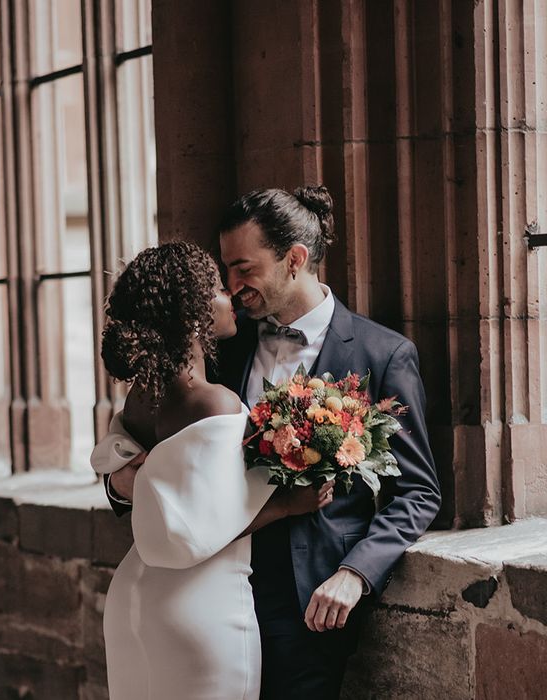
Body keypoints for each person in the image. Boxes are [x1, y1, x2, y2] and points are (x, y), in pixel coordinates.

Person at [104, 186, 441, 699]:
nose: (233, 286)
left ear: (294, 260)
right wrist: (120, 483)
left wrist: (356, 573)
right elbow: (157, 446)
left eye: (243, 268)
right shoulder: (220, 346)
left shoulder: (384, 354)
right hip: (210, 587)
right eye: (225, 271)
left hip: (306, 600)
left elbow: (418, 493)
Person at [92, 241, 334, 700]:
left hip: (133, 595)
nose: (231, 298)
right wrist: (288, 504)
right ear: (194, 311)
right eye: (220, 289)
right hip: (199, 603)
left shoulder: (140, 397)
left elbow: (161, 498)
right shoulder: (214, 401)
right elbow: (196, 528)